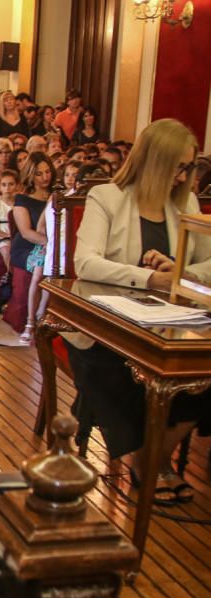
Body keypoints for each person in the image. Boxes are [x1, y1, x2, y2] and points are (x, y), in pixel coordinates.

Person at [69, 118, 211, 502]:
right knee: (116, 368)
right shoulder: (108, 198)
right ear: (154, 162)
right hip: (108, 323)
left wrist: (177, 270)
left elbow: (207, 263)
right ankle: (149, 466)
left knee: (201, 371)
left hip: (168, 322)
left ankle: (154, 459)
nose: (183, 178)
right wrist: (148, 279)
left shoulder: (186, 203)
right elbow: (87, 263)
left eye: (189, 167)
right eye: (178, 167)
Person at [10, 152, 54, 344]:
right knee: (42, 264)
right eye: (39, 173)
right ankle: (31, 321)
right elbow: (27, 232)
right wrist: (50, 244)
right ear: (30, 175)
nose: (45, 177)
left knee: (52, 260)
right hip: (27, 247)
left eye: (47, 172)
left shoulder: (58, 194)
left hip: (51, 245)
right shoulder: (23, 199)